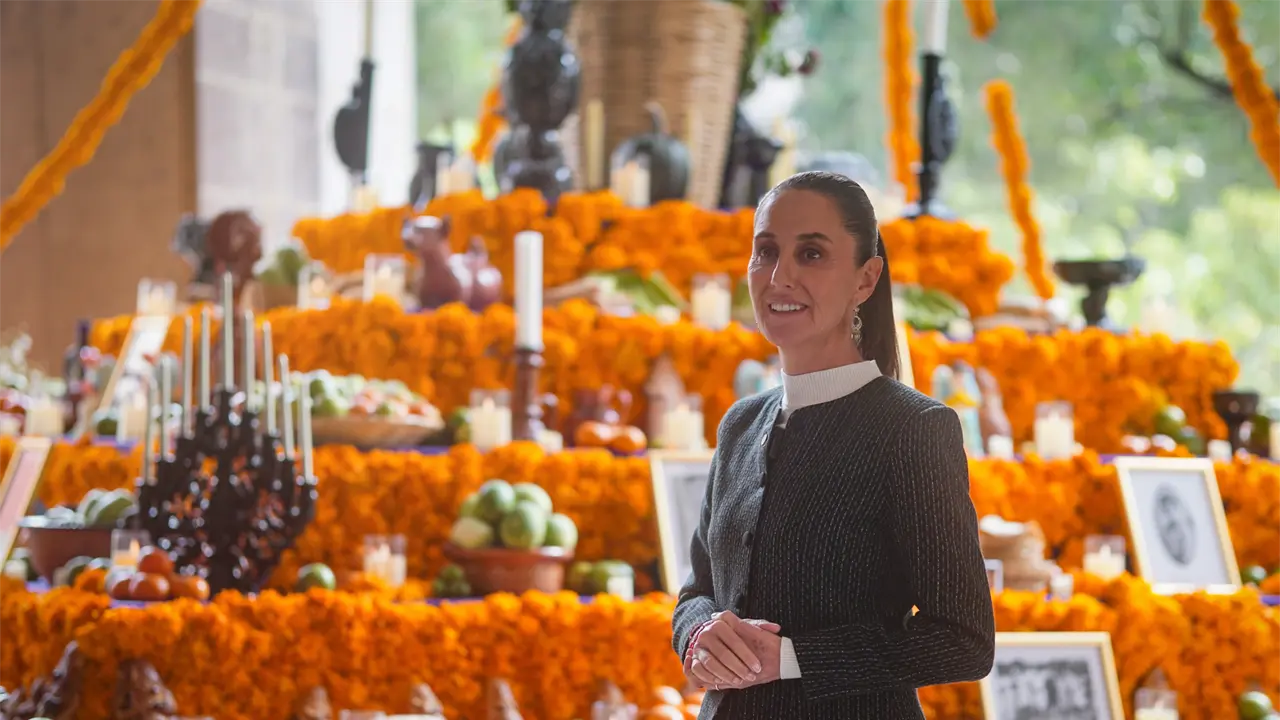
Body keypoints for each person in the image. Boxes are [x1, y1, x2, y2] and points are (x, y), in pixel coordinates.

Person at [671, 172, 995, 719]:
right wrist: (699, 633)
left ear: (866, 278)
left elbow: (964, 640)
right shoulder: (740, 425)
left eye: (812, 254)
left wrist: (793, 658)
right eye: (766, 250)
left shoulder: (912, 429)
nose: (779, 276)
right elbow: (696, 591)